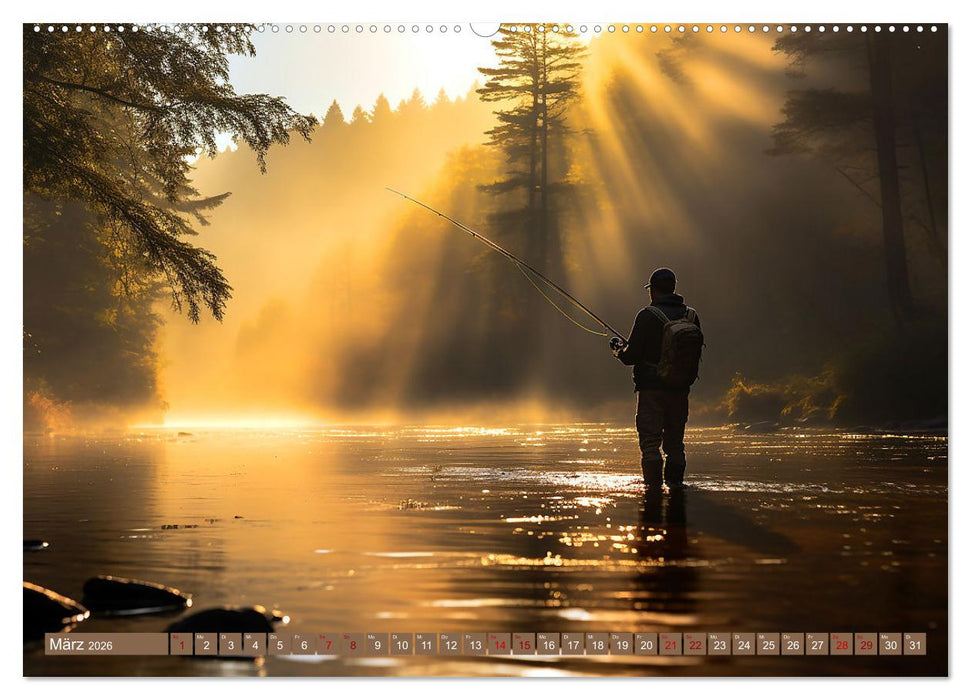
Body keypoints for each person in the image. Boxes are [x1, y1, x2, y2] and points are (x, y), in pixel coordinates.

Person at [609, 267, 702, 492]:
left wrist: (618, 351)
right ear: (672, 288)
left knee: (651, 443)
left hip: (651, 389)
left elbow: (631, 357)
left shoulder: (648, 315)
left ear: (653, 291)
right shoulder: (691, 316)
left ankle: (652, 493)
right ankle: (677, 490)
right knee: (675, 444)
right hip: (680, 389)